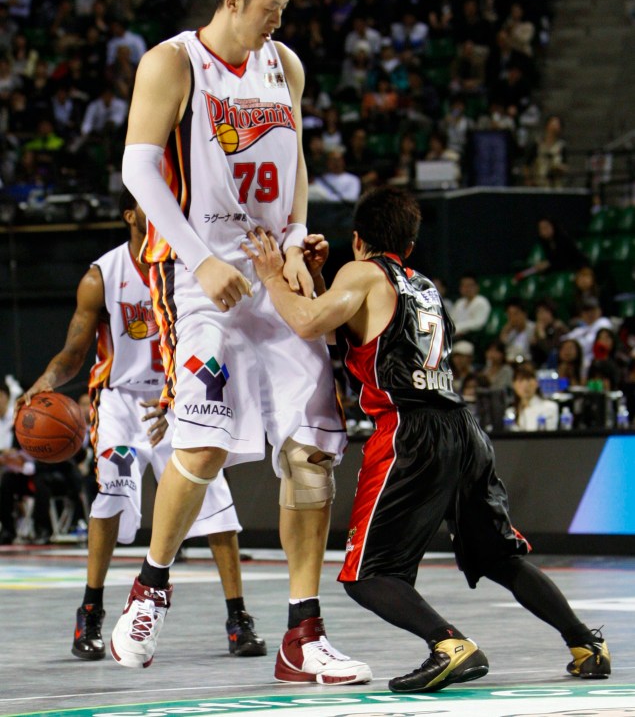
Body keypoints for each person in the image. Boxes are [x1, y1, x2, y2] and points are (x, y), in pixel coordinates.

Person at [109, 0, 370, 683]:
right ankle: (150, 587)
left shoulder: (282, 64)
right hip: (200, 281)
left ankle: (302, 633)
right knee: (202, 439)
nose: (279, 23)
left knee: (311, 450)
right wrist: (199, 260)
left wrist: (292, 239)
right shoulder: (172, 63)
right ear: (232, 1)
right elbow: (138, 169)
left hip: (270, 279)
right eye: (270, 9)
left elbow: (295, 164)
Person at [242, 186, 610, 693]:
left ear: (357, 239)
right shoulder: (423, 284)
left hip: (410, 431)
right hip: (463, 427)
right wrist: (324, 278)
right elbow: (349, 324)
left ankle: (448, 644)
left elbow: (308, 322)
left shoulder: (363, 273)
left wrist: (268, 276)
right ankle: (585, 643)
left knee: (368, 575)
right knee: (499, 556)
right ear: (409, 246)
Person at [18, 190, 266, 663]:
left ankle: (238, 618)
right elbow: (73, 353)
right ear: (130, 214)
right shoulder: (101, 275)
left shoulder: (188, 260)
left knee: (215, 501)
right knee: (113, 493)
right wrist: (45, 382)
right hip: (122, 402)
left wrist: (179, 395)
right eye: (149, 204)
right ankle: (90, 612)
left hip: (174, 397)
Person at [509, 362, 559, 431]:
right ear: (514, 385)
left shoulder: (550, 407)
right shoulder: (510, 412)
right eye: (520, 380)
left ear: (537, 382)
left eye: (528, 380)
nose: (525, 385)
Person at [450, 273, 491, 339]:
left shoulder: (481, 302)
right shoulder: (459, 302)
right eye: (464, 286)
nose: (467, 288)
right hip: (454, 335)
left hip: (472, 337)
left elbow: (478, 324)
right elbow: (451, 320)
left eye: (470, 285)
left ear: (477, 287)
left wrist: (458, 328)